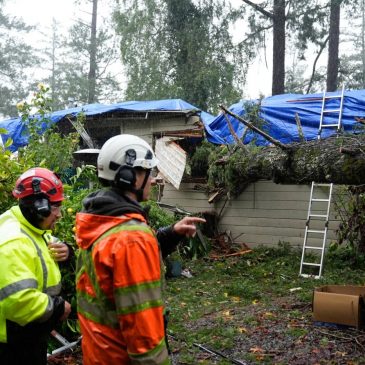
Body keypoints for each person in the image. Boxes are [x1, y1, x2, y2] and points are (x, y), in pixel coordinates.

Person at [75, 134, 205, 365]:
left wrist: (171, 233)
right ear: (130, 177)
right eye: (148, 172)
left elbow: (122, 269)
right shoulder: (132, 238)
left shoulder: (100, 220)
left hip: (99, 354)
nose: (153, 179)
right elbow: (142, 331)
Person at [0, 167, 72, 365]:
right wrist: (58, 308)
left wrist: (66, 250)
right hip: (13, 346)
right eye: (55, 207)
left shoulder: (33, 227)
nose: (59, 215)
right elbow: (19, 300)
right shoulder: (13, 240)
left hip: (28, 335)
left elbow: (47, 242)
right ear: (40, 207)